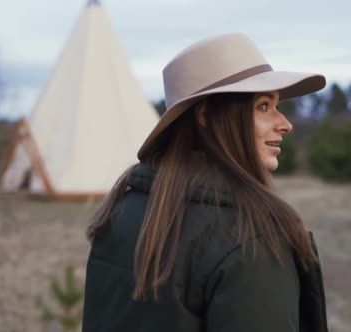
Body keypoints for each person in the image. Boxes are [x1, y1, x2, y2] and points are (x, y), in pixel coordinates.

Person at [82, 33, 328, 332]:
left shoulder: (122, 210)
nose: (285, 123)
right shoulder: (250, 238)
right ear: (205, 115)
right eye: (263, 106)